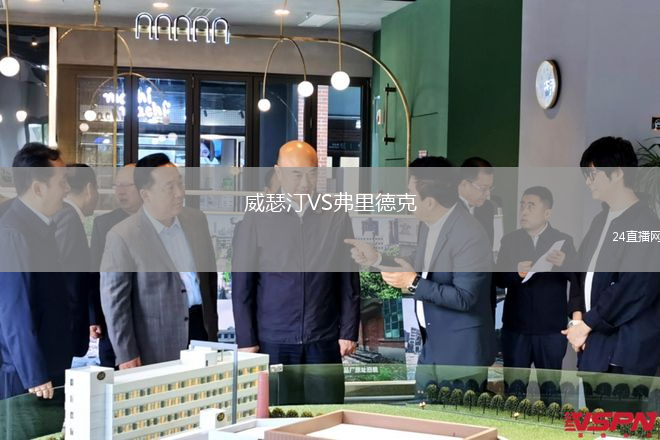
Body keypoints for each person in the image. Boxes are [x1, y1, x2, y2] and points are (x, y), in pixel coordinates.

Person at [346, 156, 495, 394]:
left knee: (456, 417)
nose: (406, 198)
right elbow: (418, 268)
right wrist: (376, 258)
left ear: (430, 202)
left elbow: (465, 297)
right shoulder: (429, 225)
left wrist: (413, 283)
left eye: (410, 192)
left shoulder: (470, 234)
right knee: (425, 409)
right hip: (432, 345)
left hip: (461, 354)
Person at [232, 141, 360, 405]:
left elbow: (348, 278)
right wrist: (246, 339)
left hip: (323, 338)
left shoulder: (335, 214)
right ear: (278, 173)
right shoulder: (257, 216)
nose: (305, 183)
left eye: (311, 174)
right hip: (274, 339)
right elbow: (242, 283)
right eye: (296, 175)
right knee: (277, 416)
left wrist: (348, 330)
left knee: (326, 416)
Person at [564, 136, 660, 412]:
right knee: (597, 425)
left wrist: (587, 324)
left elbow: (634, 288)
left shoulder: (647, 225)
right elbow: (579, 272)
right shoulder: (601, 220)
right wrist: (577, 319)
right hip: (593, 348)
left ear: (618, 173)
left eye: (593, 174)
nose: (588, 182)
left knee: (620, 427)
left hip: (623, 354)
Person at [100, 153, 218, 369]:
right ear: (146, 195)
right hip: (155, 342)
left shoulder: (196, 220)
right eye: (169, 188)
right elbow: (115, 303)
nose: (179, 193)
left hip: (201, 331)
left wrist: (213, 326)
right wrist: (126, 354)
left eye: (180, 184)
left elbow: (209, 277)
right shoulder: (123, 235)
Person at [0, 143, 74, 400]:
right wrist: (35, 374)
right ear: (38, 188)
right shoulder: (14, 232)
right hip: (31, 377)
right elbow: (14, 310)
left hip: (48, 363)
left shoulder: (39, 225)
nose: (67, 188)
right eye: (62, 182)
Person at [495, 186, 576, 405]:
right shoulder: (510, 240)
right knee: (514, 390)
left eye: (531, 206)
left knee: (550, 390)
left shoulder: (563, 240)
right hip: (515, 328)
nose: (524, 211)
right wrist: (515, 272)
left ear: (547, 212)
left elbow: (578, 277)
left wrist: (565, 263)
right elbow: (497, 278)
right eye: (522, 205)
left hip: (550, 330)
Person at [89, 164, 141, 367]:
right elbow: (94, 272)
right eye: (117, 185)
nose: (121, 191)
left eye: (127, 185)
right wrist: (94, 317)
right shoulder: (104, 223)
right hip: (113, 320)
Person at [53, 164, 100, 360]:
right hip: (62, 329)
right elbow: (62, 276)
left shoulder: (61, 214)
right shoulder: (67, 218)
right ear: (89, 189)